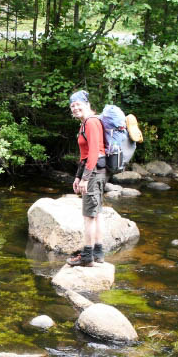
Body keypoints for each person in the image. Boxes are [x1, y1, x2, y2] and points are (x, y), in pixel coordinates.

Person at [67, 90, 106, 267]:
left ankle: (87, 256)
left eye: (78, 105)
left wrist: (85, 179)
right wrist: (77, 176)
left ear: (87, 104)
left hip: (94, 173)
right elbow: (84, 155)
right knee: (96, 214)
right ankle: (98, 253)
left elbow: (94, 153)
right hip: (95, 172)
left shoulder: (91, 122)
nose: (75, 108)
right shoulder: (85, 124)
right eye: (72, 106)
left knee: (89, 216)